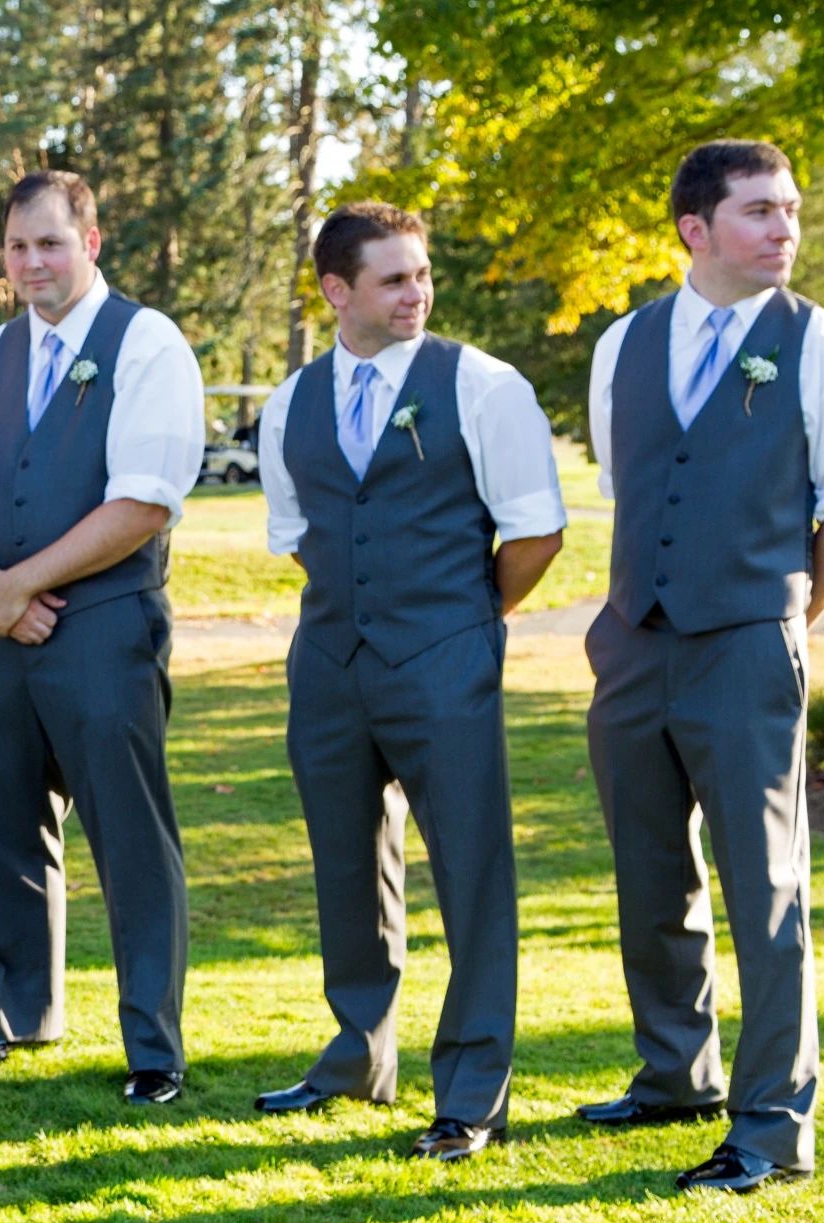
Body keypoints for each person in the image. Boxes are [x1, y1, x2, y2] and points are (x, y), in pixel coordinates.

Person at [581, 139, 824, 1191]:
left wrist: (785, 614)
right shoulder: (622, 345)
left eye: (789, 210)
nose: (783, 229)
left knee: (765, 891)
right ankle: (674, 1074)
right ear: (692, 229)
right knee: (647, 873)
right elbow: (634, 479)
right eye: (759, 211)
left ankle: (770, 1127)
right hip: (631, 643)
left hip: (749, 642)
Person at [252, 202, 567, 1160]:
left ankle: (472, 1090)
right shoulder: (287, 404)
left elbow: (537, 531)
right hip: (329, 667)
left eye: (421, 274)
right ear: (336, 290)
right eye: (393, 278)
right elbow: (301, 538)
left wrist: (463, 623)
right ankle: (358, 1052)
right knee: (345, 867)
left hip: (447, 662)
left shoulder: (481, 384)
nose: (416, 293)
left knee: (472, 874)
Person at [0, 170, 203, 1105]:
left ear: (91, 241)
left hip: (103, 624)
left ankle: (153, 1043)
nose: (32, 262)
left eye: (49, 242)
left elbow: (142, 502)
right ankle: (22, 1013)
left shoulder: (148, 344)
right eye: (17, 246)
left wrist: (21, 584)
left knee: (129, 835)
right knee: (2, 822)